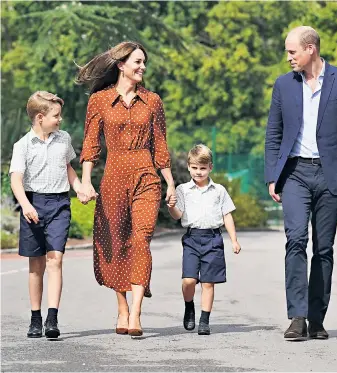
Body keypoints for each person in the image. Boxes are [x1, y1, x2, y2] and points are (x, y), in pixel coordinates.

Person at [264, 26, 337, 340]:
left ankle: (317, 318)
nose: (288, 58)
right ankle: (297, 316)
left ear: (310, 48)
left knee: (323, 248)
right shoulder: (283, 85)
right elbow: (273, 135)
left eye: (292, 51)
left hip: (332, 173)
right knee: (295, 240)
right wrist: (273, 175)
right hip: (295, 173)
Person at [76, 41, 176, 337]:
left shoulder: (153, 101)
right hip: (113, 177)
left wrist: (170, 182)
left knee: (141, 239)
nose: (142, 67)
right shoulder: (99, 101)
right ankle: (121, 309)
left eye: (144, 62)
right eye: (137, 62)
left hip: (146, 175)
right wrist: (85, 181)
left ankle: (136, 313)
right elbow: (91, 145)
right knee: (116, 242)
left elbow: (160, 145)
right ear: (121, 65)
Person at [9, 91, 85, 339]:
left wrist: (80, 188)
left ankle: (52, 318)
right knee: (36, 265)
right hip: (33, 203)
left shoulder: (63, 139)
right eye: (56, 116)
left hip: (59, 204)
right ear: (40, 117)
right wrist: (26, 206)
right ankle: (35, 318)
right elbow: (16, 180)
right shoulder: (22, 146)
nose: (60, 120)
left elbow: (68, 168)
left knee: (56, 259)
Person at [168, 144, 241, 335]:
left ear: (210, 167)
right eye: (194, 168)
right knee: (189, 281)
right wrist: (171, 206)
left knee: (208, 282)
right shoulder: (183, 190)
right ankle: (189, 306)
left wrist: (233, 240)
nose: (198, 172)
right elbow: (177, 215)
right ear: (188, 167)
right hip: (192, 239)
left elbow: (227, 216)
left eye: (202, 168)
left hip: (213, 238)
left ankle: (204, 320)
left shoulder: (219, 191)